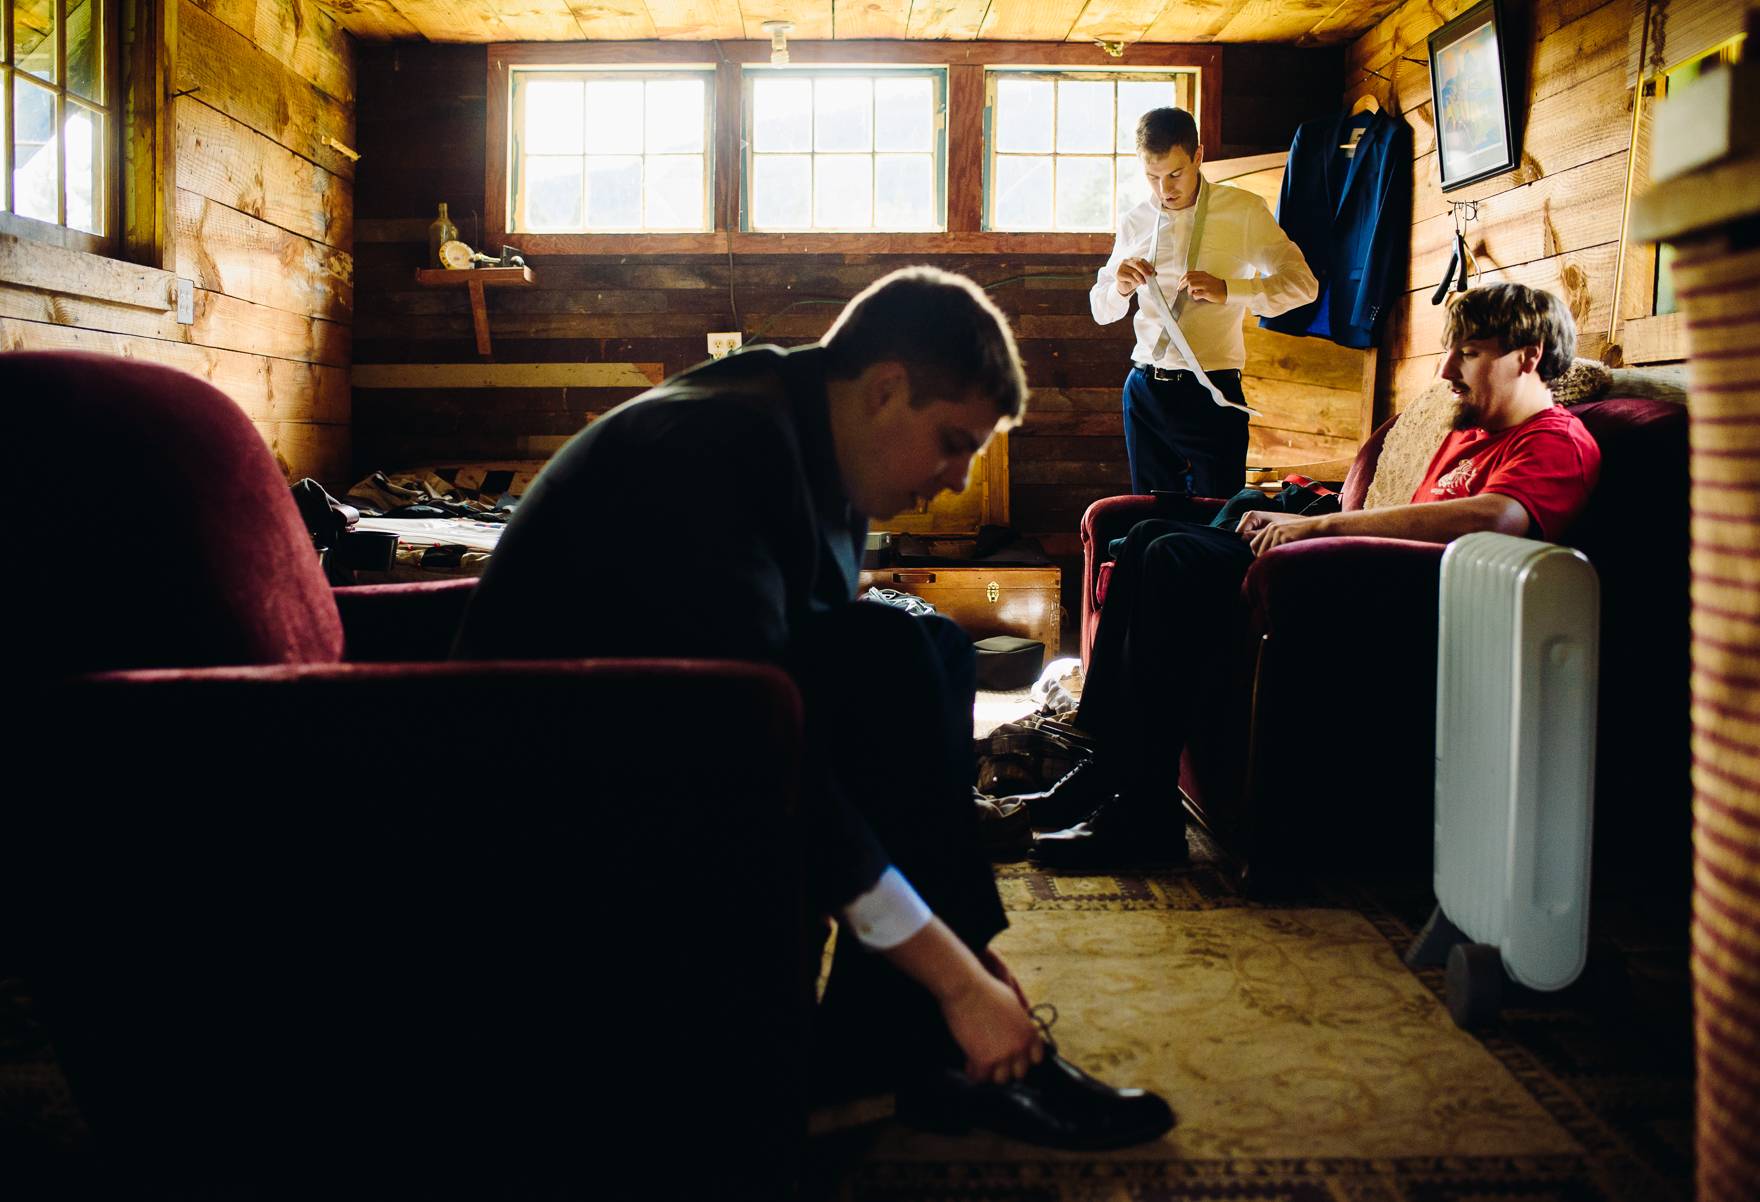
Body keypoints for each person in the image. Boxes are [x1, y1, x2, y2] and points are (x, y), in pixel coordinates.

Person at [451, 267, 1174, 1149]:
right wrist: (953, 978)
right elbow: (759, 738)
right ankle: (923, 1038)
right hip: (554, 771)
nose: (954, 480)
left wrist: (957, 940)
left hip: (669, 725)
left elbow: (819, 687)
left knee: (921, 650)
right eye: (952, 442)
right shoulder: (712, 444)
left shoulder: (807, 441)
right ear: (884, 389)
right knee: (894, 657)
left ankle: (897, 1053)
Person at [1026, 282, 1603, 869]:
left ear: (1527, 355)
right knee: (1150, 538)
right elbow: (1386, 520)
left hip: (1392, 599)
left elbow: (1499, 518)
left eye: (1470, 352)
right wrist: (1307, 517)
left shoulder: (1556, 440)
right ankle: (1103, 773)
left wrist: (1319, 533)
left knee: (1171, 556)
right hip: (1348, 570)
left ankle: (1146, 817)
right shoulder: (1468, 431)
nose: (1448, 370)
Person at [1091, 107, 1318, 499]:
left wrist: (1230, 290)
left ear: (1198, 156)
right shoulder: (1134, 221)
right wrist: (1120, 289)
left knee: (1216, 521)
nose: (1164, 189)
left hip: (1213, 391)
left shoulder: (1243, 211)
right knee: (1149, 517)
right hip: (1144, 389)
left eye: (1175, 174)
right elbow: (1101, 309)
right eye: (1152, 177)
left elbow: (1304, 286)